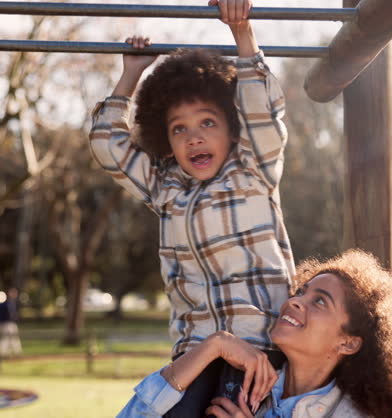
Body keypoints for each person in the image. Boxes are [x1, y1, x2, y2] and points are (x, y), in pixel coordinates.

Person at [89, 0, 293, 414]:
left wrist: (242, 32)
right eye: (179, 129)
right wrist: (131, 75)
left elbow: (261, 111)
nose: (193, 138)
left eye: (207, 122)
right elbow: (108, 146)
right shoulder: (165, 187)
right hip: (195, 351)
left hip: (259, 348)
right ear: (166, 141)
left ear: (232, 129)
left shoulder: (253, 169)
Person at [118, 249, 392, 417]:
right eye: (301, 292)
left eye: (319, 301)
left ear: (348, 342)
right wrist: (215, 344)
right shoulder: (235, 384)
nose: (295, 301)